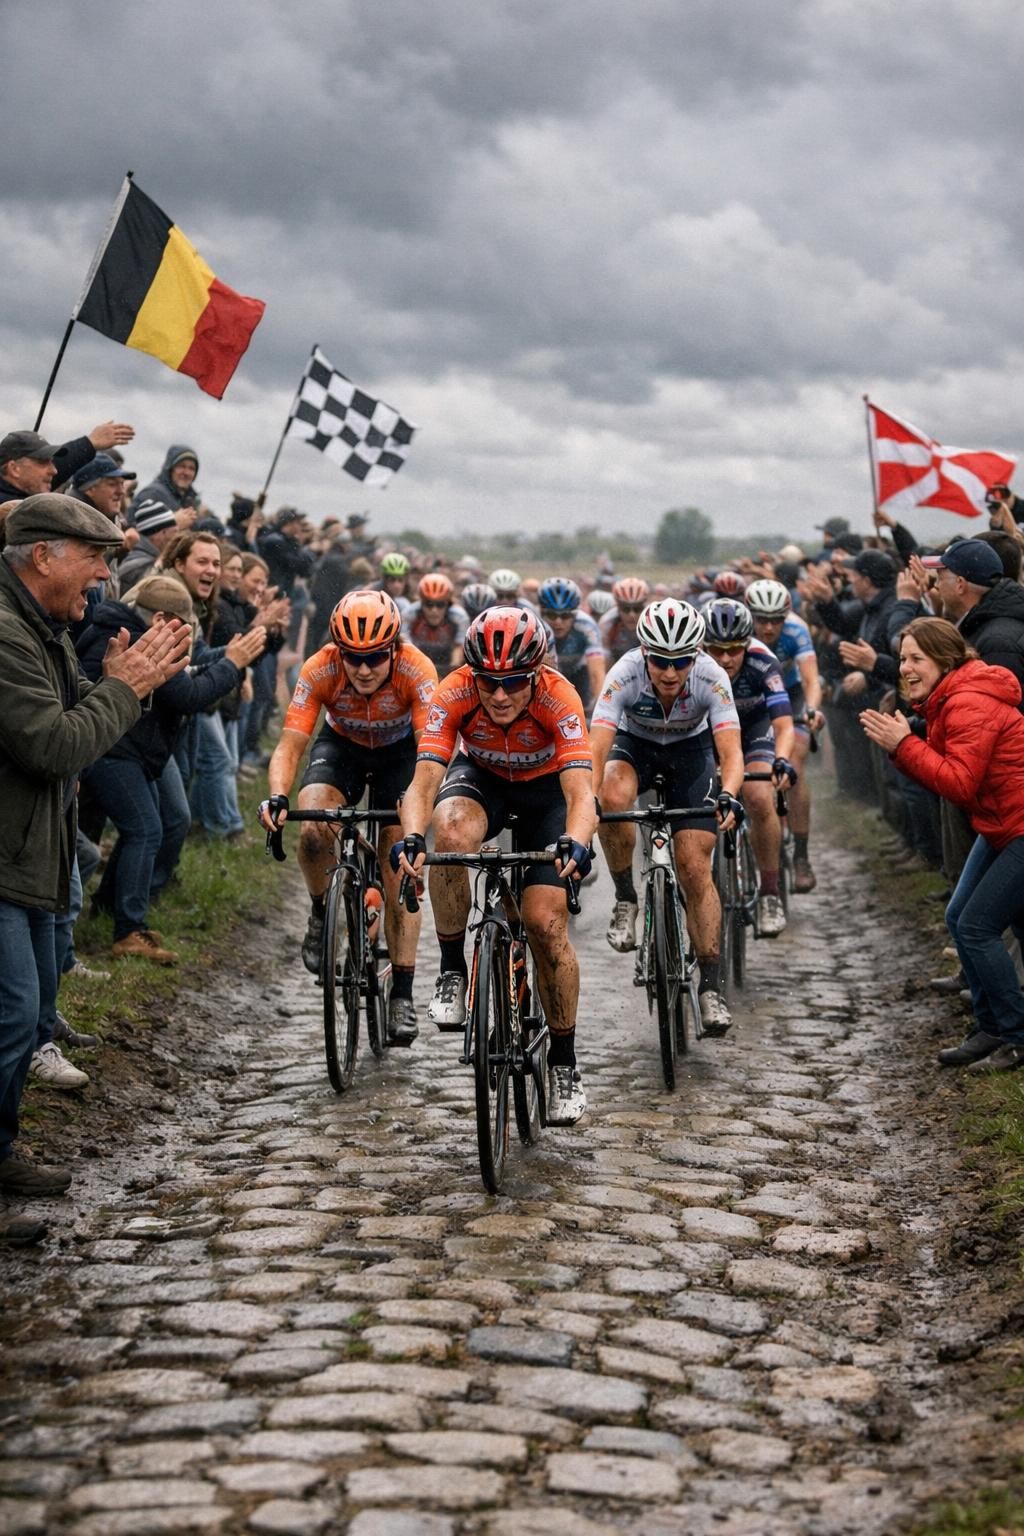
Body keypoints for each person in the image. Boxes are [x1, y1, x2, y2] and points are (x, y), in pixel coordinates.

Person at [0, 493, 189, 1223]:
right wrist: (126, 686)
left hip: (31, 856)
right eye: (96, 558)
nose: (106, 577)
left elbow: (81, 710)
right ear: (44, 554)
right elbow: (54, 745)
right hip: (10, 856)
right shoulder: (9, 632)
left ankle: (4, 1150)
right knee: (15, 1014)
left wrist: (117, 684)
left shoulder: (39, 624)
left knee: (31, 1010)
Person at [395, 606, 596, 1124]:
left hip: (545, 795)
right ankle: (452, 969)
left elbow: (580, 795)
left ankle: (565, 1063)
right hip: (482, 777)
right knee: (452, 831)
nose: (500, 695)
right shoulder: (455, 690)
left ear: (534, 674)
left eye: (512, 683)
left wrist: (576, 840)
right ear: (473, 675)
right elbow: (421, 783)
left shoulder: (559, 695)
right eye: (489, 683)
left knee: (544, 924)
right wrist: (414, 836)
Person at [259, 591, 438, 1047]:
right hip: (342, 748)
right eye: (353, 657)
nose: (363, 668)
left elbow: (431, 754)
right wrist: (278, 796)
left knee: (399, 865)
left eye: (375, 657)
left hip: (401, 755)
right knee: (316, 825)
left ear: (394, 648)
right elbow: (291, 744)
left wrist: (416, 822)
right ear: (338, 651)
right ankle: (321, 913)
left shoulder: (417, 670)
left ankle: (401, 992)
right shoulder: (320, 667)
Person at [862, 619, 1024, 1073]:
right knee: (959, 916)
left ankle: (1014, 1034)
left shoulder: (968, 702)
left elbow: (958, 782)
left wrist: (903, 745)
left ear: (946, 660)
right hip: (1001, 824)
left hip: (1017, 825)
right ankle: (992, 1027)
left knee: (975, 925)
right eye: (904, 659)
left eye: (917, 659)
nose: (906, 669)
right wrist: (907, 741)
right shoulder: (949, 698)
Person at [78, 575, 259, 960]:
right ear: (160, 619)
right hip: (113, 750)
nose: (190, 633)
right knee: (145, 830)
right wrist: (231, 665)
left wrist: (229, 654)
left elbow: (187, 670)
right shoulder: (136, 640)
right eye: (185, 625)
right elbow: (187, 694)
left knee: (149, 828)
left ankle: (112, 909)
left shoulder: (134, 629)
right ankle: (127, 930)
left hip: (128, 749)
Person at [591, 598, 744, 1037]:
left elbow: (730, 752)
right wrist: (587, 797)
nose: (670, 673)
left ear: (696, 655)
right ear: (644, 652)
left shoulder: (712, 678)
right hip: (634, 746)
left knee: (695, 864)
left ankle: (710, 987)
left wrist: (730, 793)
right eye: (660, 660)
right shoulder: (623, 674)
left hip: (691, 755)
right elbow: (597, 746)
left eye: (680, 662)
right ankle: (626, 897)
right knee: (613, 794)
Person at [703, 598, 796, 938]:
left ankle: (770, 894)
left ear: (746, 644)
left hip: (754, 730)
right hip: (710, 734)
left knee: (757, 795)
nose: (726, 658)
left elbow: (784, 725)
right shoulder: (693, 664)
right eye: (717, 649)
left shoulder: (762, 662)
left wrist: (782, 761)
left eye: (734, 649)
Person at [745, 578, 824, 892]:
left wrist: (813, 709)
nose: (767, 627)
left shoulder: (796, 630)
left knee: (795, 764)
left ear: (785, 616)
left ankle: (802, 855)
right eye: (761, 620)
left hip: (790, 697)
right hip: (753, 699)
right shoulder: (740, 630)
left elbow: (811, 680)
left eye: (775, 620)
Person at [0, 423, 134, 502]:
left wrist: (89, 443)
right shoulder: (10, 508)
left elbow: (64, 464)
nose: (54, 470)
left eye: (52, 462)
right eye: (43, 462)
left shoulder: (26, 492)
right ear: (14, 469)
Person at [538, 576, 605, 716]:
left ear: (575, 614)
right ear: (542, 612)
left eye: (565, 616)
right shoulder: (535, 625)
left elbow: (596, 674)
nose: (558, 622)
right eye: (551, 615)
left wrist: (599, 712)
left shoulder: (587, 626)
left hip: (577, 672)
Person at [402, 573, 468, 672]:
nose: (434, 610)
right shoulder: (409, 615)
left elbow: (458, 649)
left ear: (448, 604)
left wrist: (452, 673)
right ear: (421, 603)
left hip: (446, 663)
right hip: (416, 662)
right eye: (429, 604)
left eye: (440, 605)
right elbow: (405, 648)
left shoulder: (459, 617)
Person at [116, 499, 179, 589]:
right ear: (163, 533)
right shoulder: (137, 565)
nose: (177, 537)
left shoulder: (139, 556)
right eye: (175, 531)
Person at [129, 444, 200, 524]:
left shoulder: (189, 501)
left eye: (191, 468)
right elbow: (132, 524)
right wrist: (172, 522)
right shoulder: (153, 493)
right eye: (181, 466)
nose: (186, 473)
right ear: (170, 469)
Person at [600, 577, 651, 666]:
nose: (632, 614)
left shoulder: (654, 620)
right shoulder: (607, 623)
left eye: (637, 608)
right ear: (618, 607)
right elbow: (604, 660)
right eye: (625, 609)